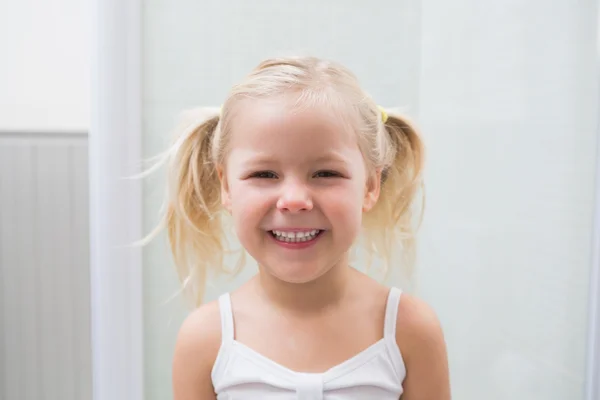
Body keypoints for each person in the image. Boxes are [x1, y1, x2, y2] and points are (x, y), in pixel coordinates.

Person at [154, 56, 450, 399]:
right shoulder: (205, 339)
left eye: (326, 173)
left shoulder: (409, 330)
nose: (294, 200)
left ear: (370, 185)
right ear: (226, 187)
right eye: (264, 174)